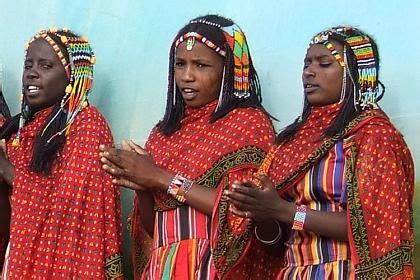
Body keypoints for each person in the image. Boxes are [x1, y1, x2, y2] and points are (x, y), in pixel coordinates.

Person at [225, 26, 414, 279]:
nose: (309, 73)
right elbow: (274, 242)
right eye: (307, 64)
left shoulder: (373, 136)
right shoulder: (292, 141)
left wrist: (283, 210)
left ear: (356, 74)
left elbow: (373, 225)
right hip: (293, 271)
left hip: (345, 271)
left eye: (324, 64)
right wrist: (258, 211)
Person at [99, 15, 275, 279]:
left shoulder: (247, 123)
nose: (186, 76)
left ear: (230, 70)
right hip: (164, 266)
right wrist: (143, 187)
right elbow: (153, 229)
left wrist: (160, 177)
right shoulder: (163, 134)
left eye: (201, 65)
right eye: (180, 64)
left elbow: (240, 213)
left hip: (213, 267)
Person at [0, 28, 123, 279]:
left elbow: (70, 205)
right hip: (18, 259)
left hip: (69, 266)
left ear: (73, 77)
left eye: (46, 66)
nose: (32, 73)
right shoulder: (18, 132)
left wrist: (6, 169)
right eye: (28, 65)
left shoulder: (87, 124)